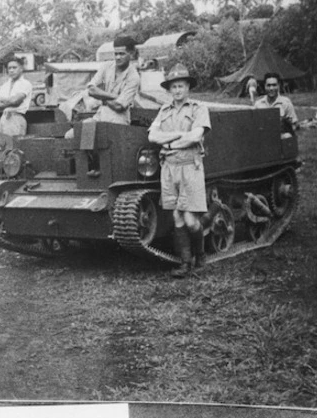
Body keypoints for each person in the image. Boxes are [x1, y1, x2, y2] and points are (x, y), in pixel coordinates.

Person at [148, 64, 211, 278]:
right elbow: (153, 136)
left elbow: (196, 136)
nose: (177, 90)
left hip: (189, 166)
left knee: (191, 220)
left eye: (181, 86)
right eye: (173, 86)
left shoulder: (198, 108)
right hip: (169, 169)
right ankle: (185, 262)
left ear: (188, 87)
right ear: (169, 89)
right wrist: (177, 135)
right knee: (176, 217)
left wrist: (172, 144)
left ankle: (200, 254)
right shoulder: (164, 111)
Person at [67, 35, 141, 175]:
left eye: (122, 54)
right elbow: (91, 89)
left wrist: (101, 98)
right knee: (71, 135)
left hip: (119, 120)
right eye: (116, 53)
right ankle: (88, 169)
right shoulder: (107, 66)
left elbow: (120, 107)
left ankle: (102, 172)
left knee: (105, 141)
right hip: (101, 114)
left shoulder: (133, 77)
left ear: (131, 54)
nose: (118, 57)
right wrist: (114, 97)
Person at [0, 57, 32, 136]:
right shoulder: (5, 85)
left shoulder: (25, 84)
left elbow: (16, 101)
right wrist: (9, 101)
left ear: (21, 69)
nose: (11, 70)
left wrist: (2, 101)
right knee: (1, 145)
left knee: (13, 146)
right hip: (3, 118)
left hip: (16, 118)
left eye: (14, 68)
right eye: (9, 68)